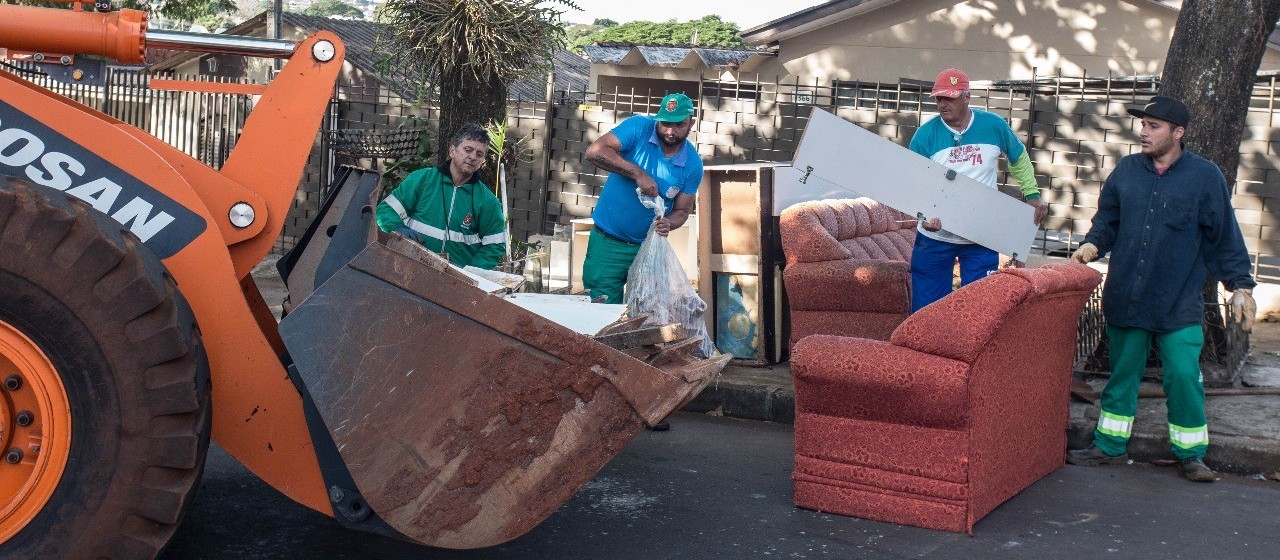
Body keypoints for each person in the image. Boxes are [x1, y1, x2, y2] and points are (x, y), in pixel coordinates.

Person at [1066, 95, 1257, 483]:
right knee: (1122, 375)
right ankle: (1108, 445)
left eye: (1153, 126)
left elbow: (1224, 237)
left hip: (1177, 303)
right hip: (1127, 298)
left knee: (1184, 377)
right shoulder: (1127, 171)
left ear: (1178, 133)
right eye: (1143, 124)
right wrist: (1093, 243)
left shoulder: (1205, 178)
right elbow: (1108, 221)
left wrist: (1240, 285)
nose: (1143, 131)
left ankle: (1191, 454)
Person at [908, 68, 1047, 312]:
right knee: (926, 313)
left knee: (982, 310)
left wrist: (1032, 195)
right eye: (939, 98)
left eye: (949, 98)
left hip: (981, 235)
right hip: (935, 236)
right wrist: (922, 213)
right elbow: (913, 182)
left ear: (966, 96)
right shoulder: (924, 136)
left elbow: (1018, 157)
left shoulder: (993, 126)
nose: (942, 104)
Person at [581, 92, 703, 305]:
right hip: (608, 242)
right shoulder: (638, 127)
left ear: (691, 122)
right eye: (665, 123)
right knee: (600, 311)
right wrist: (638, 174)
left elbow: (682, 211)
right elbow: (594, 152)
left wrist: (669, 223)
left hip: (649, 248)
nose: (670, 131)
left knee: (647, 315)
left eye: (679, 125)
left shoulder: (693, 164)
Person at [376, 123, 506, 270]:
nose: (472, 157)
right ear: (452, 151)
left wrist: (472, 273)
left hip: (454, 282)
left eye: (479, 154)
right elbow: (385, 210)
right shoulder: (422, 179)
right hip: (408, 267)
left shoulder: (488, 201)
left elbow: (494, 246)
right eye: (467, 150)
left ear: (482, 160)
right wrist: (396, 227)